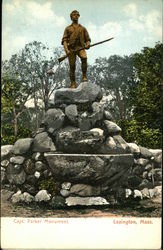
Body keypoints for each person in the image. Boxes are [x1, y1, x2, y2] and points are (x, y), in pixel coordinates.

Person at [62, 10, 91, 88]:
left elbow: (88, 39)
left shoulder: (83, 28)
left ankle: (84, 76)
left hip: (81, 47)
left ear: (79, 16)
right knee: (72, 66)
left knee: (84, 58)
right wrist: (67, 50)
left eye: (77, 15)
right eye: (73, 15)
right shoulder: (68, 28)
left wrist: (88, 44)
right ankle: (73, 83)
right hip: (71, 49)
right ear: (71, 17)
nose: (75, 16)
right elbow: (64, 41)